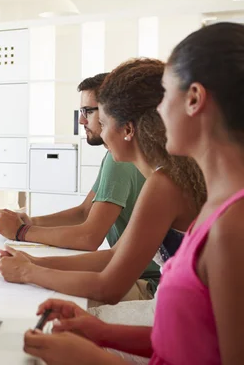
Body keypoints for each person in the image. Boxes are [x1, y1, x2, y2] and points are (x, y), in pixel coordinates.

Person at [22, 22, 244, 365]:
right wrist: (97, 331)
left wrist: (93, 359)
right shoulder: (217, 203)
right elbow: (183, 339)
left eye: (165, 95)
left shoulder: (232, 225)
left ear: (195, 99)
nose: (158, 111)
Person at [0, 58, 206, 305]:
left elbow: (109, 286)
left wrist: (27, 270)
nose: (104, 135)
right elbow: (114, 254)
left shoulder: (162, 184)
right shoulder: (171, 172)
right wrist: (34, 262)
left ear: (128, 129)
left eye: (104, 123)